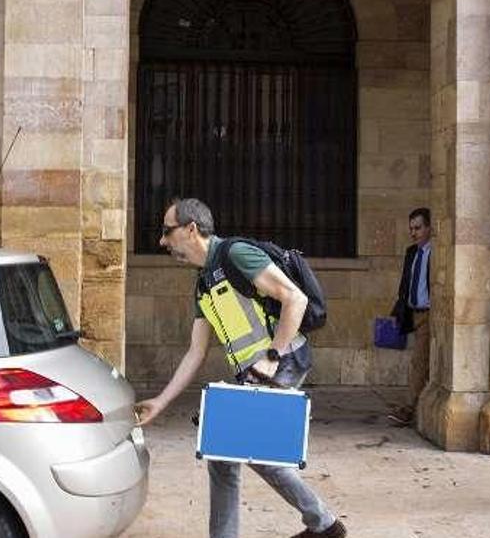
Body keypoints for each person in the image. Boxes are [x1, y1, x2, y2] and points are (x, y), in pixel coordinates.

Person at [133, 198, 347, 538]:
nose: (161, 241)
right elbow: (195, 352)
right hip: (253, 371)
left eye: (167, 231)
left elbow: (295, 299)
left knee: (251, 446)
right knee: (222, 450)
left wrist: (271, 358)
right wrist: (161, 401)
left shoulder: (235, 255)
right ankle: (318, 525)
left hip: (283, 360)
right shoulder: (203, 282)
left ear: (191, 229)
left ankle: (324, 524)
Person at [388, 208, 432, 426]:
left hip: (429, 314)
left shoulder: (436, 253)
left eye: (418, 228)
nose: (414, 233)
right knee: (421, 362)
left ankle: (408, 408)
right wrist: (399, 309)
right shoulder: (412, 253)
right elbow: (406, 283)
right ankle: (420, 405)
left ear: (429, 227)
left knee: (418, 362)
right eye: (411, 229)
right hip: (413, 313)